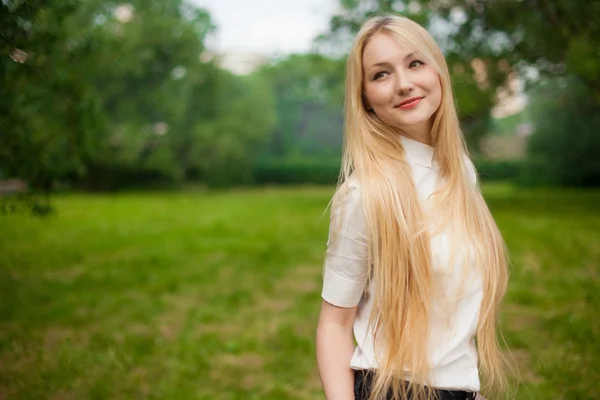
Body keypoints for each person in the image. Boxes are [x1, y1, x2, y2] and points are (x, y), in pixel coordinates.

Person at [315, 15, 510, 400]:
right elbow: (334, 326)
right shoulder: (365, 195)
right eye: (381, 74)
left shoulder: (460, 173)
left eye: (415, 63)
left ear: (438, 72)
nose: (404, 84)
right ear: (365, 99)